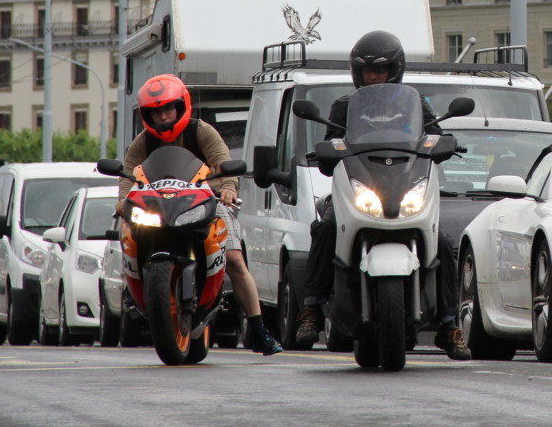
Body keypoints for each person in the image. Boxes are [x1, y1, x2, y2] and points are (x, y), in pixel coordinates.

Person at [293, 30, 470, 360]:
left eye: (381, 70)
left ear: (395, 70)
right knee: (326, 227)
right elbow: (331, 149)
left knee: (444, 242)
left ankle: (449, 324)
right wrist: (326, 150)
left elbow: (435, 136)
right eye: (367, 71)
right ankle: (312, 310)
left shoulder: (415, 103)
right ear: (356, 74)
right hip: (360, 185)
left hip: (404, 184)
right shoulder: (344, 106)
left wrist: (445, 143)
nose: (374, 77)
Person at [117, 74, 283, 356]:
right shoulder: (142, 143)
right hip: (160, 208)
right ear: (148, 115)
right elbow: (128, 174)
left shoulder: (201, 132)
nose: (163, 116)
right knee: (130, 237)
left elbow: (224, 162)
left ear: (182, 106)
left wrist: (228, 188)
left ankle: (258, 331)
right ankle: (133, 295)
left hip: (208, 200)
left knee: (234, 259)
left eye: (168, 108)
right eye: (156, 112)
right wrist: (122, 200)